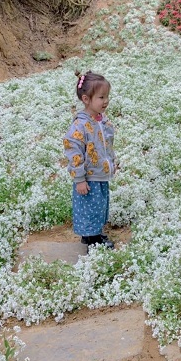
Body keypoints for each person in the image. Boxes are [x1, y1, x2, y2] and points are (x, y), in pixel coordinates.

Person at [63, 70, 116, 251]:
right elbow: (73, 151)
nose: (106, 101)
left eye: (107, 96)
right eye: (101, 97)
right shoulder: (80, 125)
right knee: (89, 210)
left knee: (99, 208)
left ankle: (93, 234)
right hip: (88, 178)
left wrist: (111, 163)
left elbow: (107, 145)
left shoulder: (101, 120)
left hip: (100, 174)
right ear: (86, 99)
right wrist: (79, 178)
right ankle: (93, 242)